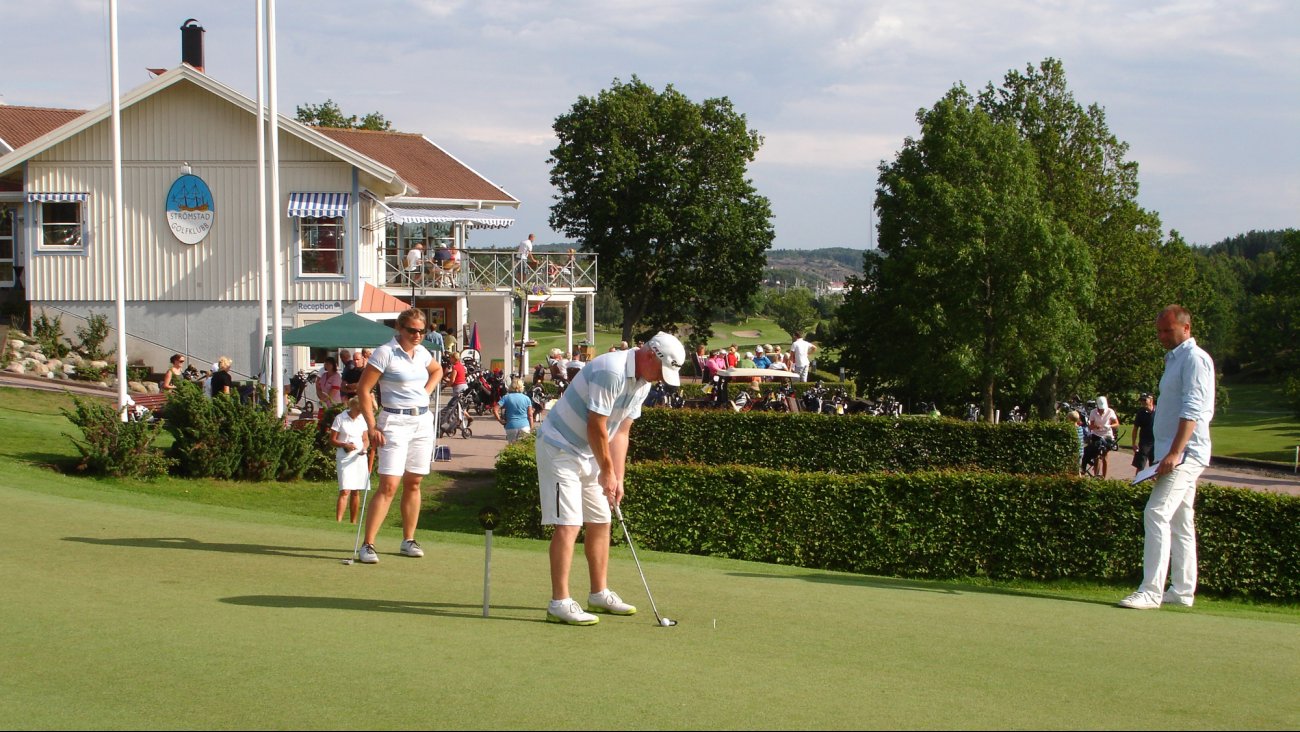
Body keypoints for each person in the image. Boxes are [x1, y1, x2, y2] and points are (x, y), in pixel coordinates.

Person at [534, 331, 686, 625]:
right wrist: (606, 471)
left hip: (590, 452)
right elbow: (597, 425)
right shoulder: (612, 370)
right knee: (569, 523)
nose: (661, 379)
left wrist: (618, 477)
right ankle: (559, 602)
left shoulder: (642, 384)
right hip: (559, 446)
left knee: (601, 520)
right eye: (661, 370)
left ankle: (598, 593)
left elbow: (621, 432)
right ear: (650, 355)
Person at [1119, 306, 1215, 610]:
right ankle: (1183, 590)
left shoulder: (1194, 359)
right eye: (1159, 331)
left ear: (1186, 328)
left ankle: (1151, 591)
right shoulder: (1175, 359)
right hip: (1175, 452)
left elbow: (1193, 410)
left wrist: (1174, 453)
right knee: (1180, 519)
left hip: (1185, 454)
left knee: (1156, 512)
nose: (1162, 336)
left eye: (1167, 331)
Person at [354, 308, 444, 564]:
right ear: (399, 328)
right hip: (394, 421)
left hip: (422, 421)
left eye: (421, 331)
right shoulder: (385, 352)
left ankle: (408, 539)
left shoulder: (422, 352)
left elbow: (437, 370)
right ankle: (368, 544)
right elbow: (363, 389)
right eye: (412, 330)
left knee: (414, 482)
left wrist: (425, 392)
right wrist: (372, 426)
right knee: (389, 485)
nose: (417, 335)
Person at [330, 397, 370, 523]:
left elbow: (365, 439)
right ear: (352, 406)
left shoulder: (362, 419)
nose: (359, 412)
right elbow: (332, 440)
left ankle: (353, 522)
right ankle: (339, 521)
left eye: (361, 410)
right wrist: (344, 444)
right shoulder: (340, 418)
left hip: (359, 457)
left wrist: (364, 448)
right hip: (344, 457)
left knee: (356, 490)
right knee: (345, 490)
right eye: (358, 410)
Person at [494, 377, 535, 443]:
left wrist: (500, 420)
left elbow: (495, 409)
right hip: (524, 426)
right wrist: (532, 428)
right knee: (523, 446)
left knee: (512, 446)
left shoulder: (506, 397)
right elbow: (530, 415)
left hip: (511, 426)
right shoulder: (527, 398)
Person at [1087, 395, 1119, 477]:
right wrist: (1095, 426)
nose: (1102, 410)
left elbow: (1116, 424)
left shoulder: (1110, 411)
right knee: (1096, 456)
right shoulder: (1093, 412)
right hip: (1096, 435)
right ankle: (1096, 476)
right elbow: (1090, 426)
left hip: (1107, 435)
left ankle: (1104, 477)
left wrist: (1109, 426)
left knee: (1105, 457)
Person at [1131, 393, 1156, 471]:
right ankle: (1138, 479)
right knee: (1140, 466)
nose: (1142, 402)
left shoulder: (1159, 411)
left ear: (1151, 400)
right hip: (1144, 443)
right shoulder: (1140, 413)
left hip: (1156, 442)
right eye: (1141, 400)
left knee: (1154, 467)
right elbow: (1135, 429)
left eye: (1144, 400)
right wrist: (1134, 443)